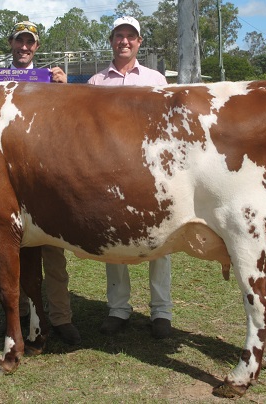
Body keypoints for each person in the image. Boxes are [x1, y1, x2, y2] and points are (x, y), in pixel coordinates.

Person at [0, 21, 80, 345]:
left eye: (30, 42)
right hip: (5, 176)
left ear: (36, 47)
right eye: (19, 41)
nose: (24, 47)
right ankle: (19, 314)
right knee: (11, 251)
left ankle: (61, 317)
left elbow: (67, 116)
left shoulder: (48, 79)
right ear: (11, 43)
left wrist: (64, 86)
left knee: (53, 254)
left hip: (42, 176)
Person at [88, 16, 173, 339]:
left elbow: (167, 124)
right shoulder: (97, 83)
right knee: (114, 239)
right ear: (111, 41)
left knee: (161, 240)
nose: (125, 41)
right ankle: (118, 308)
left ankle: (161, 312)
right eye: (119, 36)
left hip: (151, 172)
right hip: (110, 174)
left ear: (139, 42)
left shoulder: (156, 80)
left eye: (131, 36)